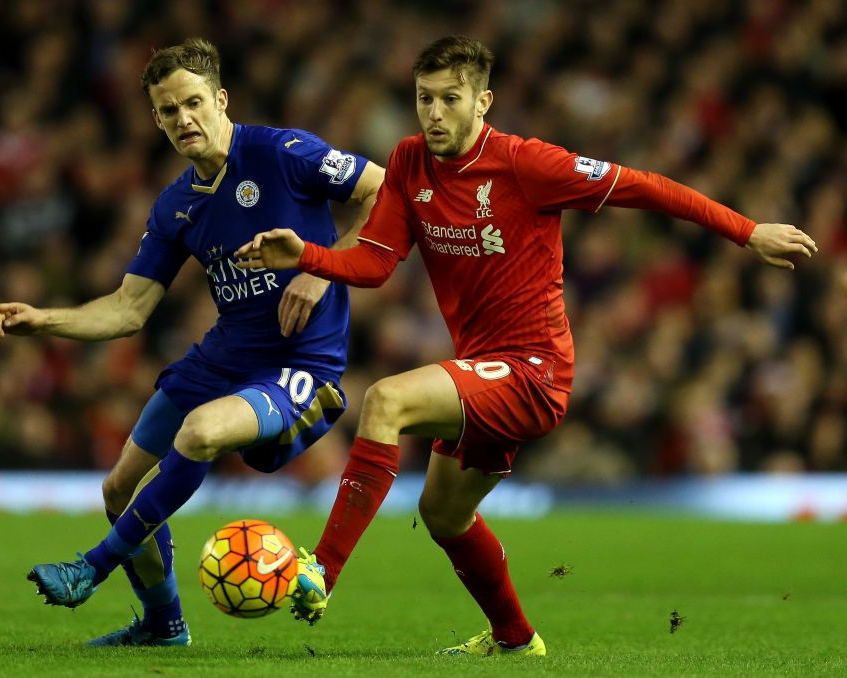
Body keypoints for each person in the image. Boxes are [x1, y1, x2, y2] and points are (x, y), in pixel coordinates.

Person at [235, 35, 817, 657]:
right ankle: (515, 639)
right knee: (443, 515)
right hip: (479, 371)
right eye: (424, 98)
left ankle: (320, 573)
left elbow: (645, 186)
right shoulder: (408, 162)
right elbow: (376, 263)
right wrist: (309, 256)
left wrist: (748, 232)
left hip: (535, 371)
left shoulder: (525, 164)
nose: (434, 113)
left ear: (483, 101)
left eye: (450, 98)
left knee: (384, 400)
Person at [0, 37, 384, 647]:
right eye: (169, 110)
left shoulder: (283, 152)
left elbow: (385, 190)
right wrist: (45, 321)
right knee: (118, 488)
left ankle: (92, 567)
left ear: (221, 99)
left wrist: (321, 268)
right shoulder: (175, 207)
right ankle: (162, 624)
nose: (183, 119)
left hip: (299, 365)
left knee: (198, 432)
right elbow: (128, 309)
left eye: (193, 103)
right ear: (156, 118)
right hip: (222, 358)